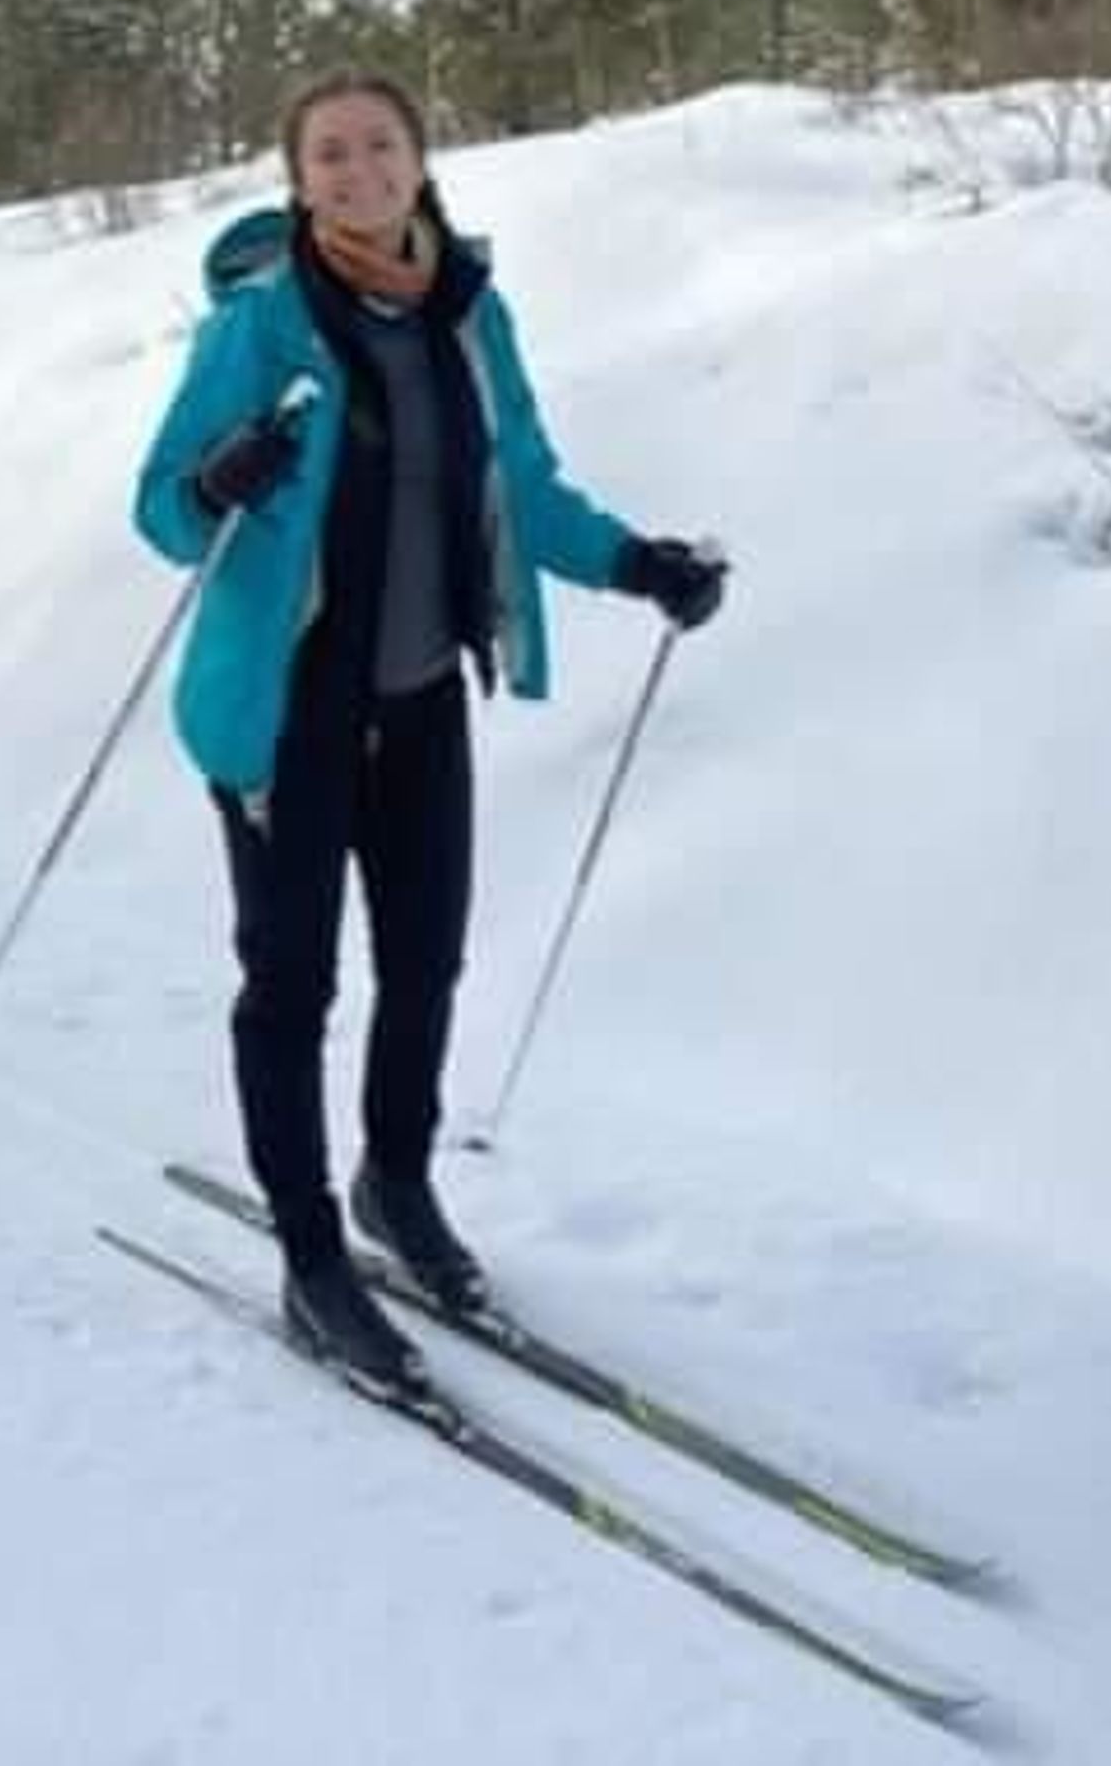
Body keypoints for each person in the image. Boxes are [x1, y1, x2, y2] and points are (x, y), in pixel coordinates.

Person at [133, 73, 727, 1395]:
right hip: (284, 715)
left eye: (379, 145)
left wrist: (640, 563)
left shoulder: (470, 310)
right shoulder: (260, 321)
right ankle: (309, 1253)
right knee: (292, 987)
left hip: (416, 700)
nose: (357, 169)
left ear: (418, 160)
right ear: (299, 180)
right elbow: (163, 512)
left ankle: (394, 1183)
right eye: (329, 153)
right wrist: (215, 477)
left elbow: (523, 480)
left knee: (426, 963)